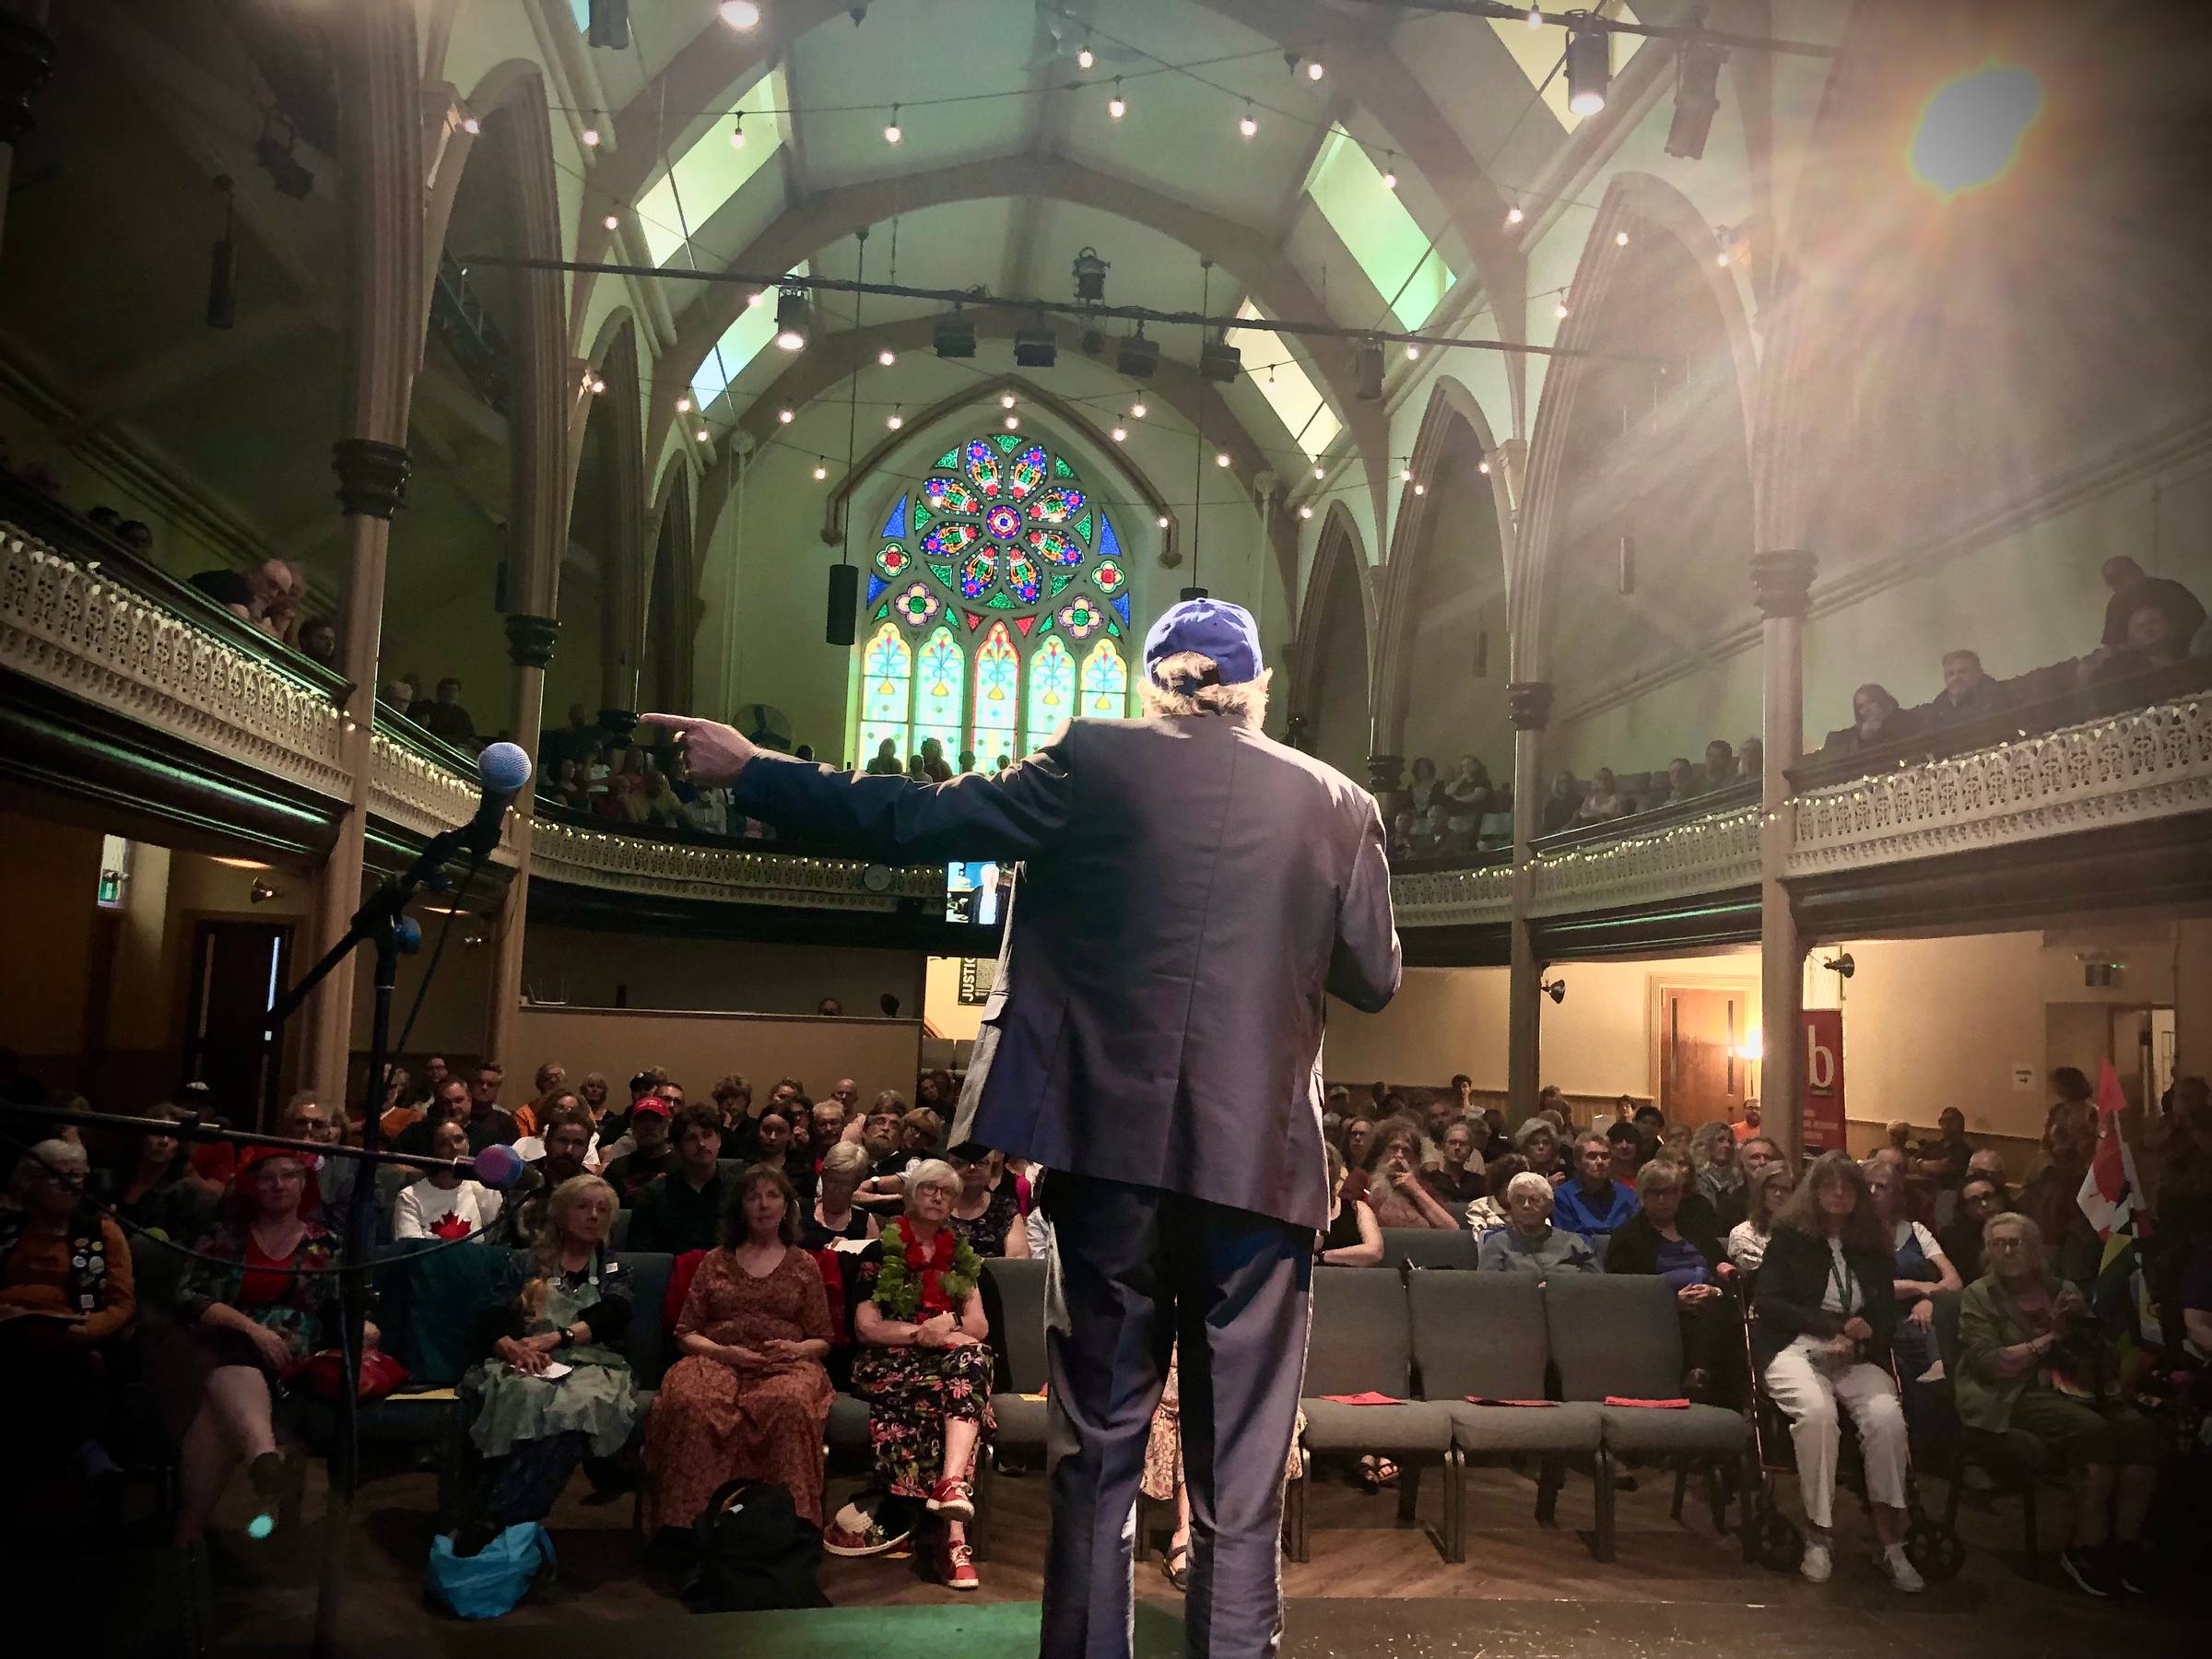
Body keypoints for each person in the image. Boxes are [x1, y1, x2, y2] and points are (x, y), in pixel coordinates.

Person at [641, 594, 1400, 1657]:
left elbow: (916, 819)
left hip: (1109, 1158)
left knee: (1100, 1453)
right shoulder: (1340, 802)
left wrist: (756, 768)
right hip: (1260, 1173)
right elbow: (1375, 978)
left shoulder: (1095, 761)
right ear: (1257, 688)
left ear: (1155, 684)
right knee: (1241, 1468)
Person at [1957, 1211, 2159, 1597]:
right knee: (2093, 1431)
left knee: (2138, 1430)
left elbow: (2103, 1359)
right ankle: (2085, 1545)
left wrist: (2085, 1321)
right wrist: (2051, 1337)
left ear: (2035, 1249)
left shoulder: (2062, 1289)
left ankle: (2126, 1543)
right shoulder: (1980, 1295)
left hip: (2079, 1387)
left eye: (2015, 1242)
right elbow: (1991, 1365)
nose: (2006, 1251)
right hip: (2013, 1393)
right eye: (1997, 1244)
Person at [1752, 1151, 1920, 1591]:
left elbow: (1884, 1311)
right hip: (1796, 1344)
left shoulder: (1872, 1245)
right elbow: (1768, 1301)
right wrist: (1829, 1327)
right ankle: (1818, 1533)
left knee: (1886, 1417)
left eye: (1848, 1187)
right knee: (1818, 1413)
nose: (1839, 1194)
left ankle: (1890, 1540)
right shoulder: (1789, 1238)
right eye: (1830, 1186)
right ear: (1814, 1191)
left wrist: (1865, 1333)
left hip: (1855, 1353)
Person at [452, 1175, 641, 1556]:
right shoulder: (526, 1262)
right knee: (525, 1393)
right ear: (560, 1212)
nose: (593, 1215)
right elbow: (491, 1312)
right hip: (529, 1359)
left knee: (577, 1407)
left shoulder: (614, 1267)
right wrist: (510, 1347)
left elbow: (614, 1313)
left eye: (602, 1209)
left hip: (591, 1363)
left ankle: (496, 1519)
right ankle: (502, 1522)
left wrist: (559, 1338)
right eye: (583, 1206)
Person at [643, 1166, 836, 1535]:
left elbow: (823, 1339)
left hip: (784, 1364)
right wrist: (725, 1353)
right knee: (692, 1403)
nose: (763, 1205)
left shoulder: (804, 1264)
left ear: (786, 1207)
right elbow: (686, 1333)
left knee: (787, 1404)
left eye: (772, 1196)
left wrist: (795, 1349)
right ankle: (688, 1531)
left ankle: (781, 1529)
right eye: (753, 1197)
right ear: (740, 1208)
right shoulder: (715, 1260)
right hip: (717, 1358)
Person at [171, 1148, 343, 1544]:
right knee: (235, 1356)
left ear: (304, 1184)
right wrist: (252, 1329)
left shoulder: (326, 1244)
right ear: (252, 1185)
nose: (278, 1185)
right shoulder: (225, 1236)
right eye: (267, 1177)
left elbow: (341, 1307)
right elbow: (188, 1296)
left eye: (288, 1175)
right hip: (226, 1343)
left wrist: (365, 1325)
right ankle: (264, 1458)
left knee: (216, 1411)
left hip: (292, 1360)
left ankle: (186, 1538)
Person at [845, 1160, 996, 1591]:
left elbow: (979, 1326)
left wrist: (949, 1323)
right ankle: (953, 1540)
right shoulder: (879, 1252)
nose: (937, 1197)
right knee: (965, 1390)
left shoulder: (961, 1255)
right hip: (888, 1362)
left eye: (946, 1192)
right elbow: (868, 1327)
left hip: (946, 1365)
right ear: (911, 1195)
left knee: (970, 1365)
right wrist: (924, 1333)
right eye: (929, 1188)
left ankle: (950, 1493)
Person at [1, 1139, 136, 1478]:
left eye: (77, 1176)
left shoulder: (102, 1232)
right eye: (57, 1176)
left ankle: (78, 1446)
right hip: (10, 1330)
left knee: (65, 1355)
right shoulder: (8, 1229)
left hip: (76, 1334)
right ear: (30, 1181)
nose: (70, 1185)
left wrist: (92, 1328)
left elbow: (122, 1302)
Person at [1605, 1159, 1732, 1395]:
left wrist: (1716, 1291)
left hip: (1712, 1305)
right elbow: (1622, 1292)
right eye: (1655, 1193)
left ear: (1679, 1193)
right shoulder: (1628, 1237)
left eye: (1669, 1192)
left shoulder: (1695, 1228)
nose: (1662, 1200)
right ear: (1642, 1195)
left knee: (1722, 1313)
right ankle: (1696, 1376)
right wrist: (1671, 1302)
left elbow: (1725, 1269)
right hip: (1657, 1314)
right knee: (1692, 1319)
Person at [628, 1107, 733, 1255]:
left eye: (707, 1135)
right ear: (677, 1148)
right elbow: (641, 1254)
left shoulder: (738, 1189)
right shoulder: (654, 1194)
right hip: (669, 1268)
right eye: (691, 1138)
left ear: (719, 1140)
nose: (702, 1144)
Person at [92, 1100, 204, 1239]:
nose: (164, 1141)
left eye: (172, 1136)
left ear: (180, 1146)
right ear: (142, 1136)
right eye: (158, 1132)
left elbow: (170, 1244)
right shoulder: (108, 1180)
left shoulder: (181, 1193)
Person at [393, 1118, 504, 1241]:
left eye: (459, 1139)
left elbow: (496, 1240)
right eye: (444, 1144)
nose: (454, 1147)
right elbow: (410, 1247)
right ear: (433, 1152)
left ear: (468, 1143)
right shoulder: (409, 1197)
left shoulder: (483, 1189)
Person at [1477, 1171, 1603, 1275]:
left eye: (1534, 1200)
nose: (1526, 1205)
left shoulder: (1574, 1243)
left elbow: (1598, 1286)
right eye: (1519, 1200)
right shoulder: (1497, 1244)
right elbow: (1488, 1290)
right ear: (1511, 1206)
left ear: (1549, 1206)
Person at [1359, 1117, 1463, 1230]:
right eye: (1393, 1148)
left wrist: (1416, 1190)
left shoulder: (1423, 1187)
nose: (1399, 1155)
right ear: (1381, 1152)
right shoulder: (1362, 1179)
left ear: (1415, 1159)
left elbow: (1452, 1228)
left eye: (1406, 1151)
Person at [2098, 554, 2204, 653]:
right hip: (2136, 661)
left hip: (2181, 655)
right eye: (2111, 581)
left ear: (2136, 571)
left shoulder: (2170, 590)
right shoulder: (2116, 605)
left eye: (2120, 576)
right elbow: (2111, 645)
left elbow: (2200, 625)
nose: (2115, 585)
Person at [1550, 1130, 1641, 1241]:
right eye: (1592, 1156)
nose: (1600, 1162)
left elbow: (1636, 1236)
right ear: (1577, 1162)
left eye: (1605, 1156)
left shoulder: (1628, 1196)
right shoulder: (1563, 1197)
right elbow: (1567, 1241)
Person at [945, 1148, 1031, 1258]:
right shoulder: (938, 1204)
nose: (972, 1167)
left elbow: (1018, 1259)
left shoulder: (1006, 1208)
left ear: (991, 1170)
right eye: (961, 1163)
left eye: (981, 1163)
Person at [804, 1140, 882, 1249]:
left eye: (845, 1184)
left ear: (857, 1184)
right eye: (832, 1181)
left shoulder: (865, 1222)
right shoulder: (799, 1210)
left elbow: (873, 1258)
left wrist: (847, 1248)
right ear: (823, 1174)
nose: (836, 1190)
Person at [601, 1096, 677, 1206]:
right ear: (632, 1126)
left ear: (667, 1125)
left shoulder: (682, 1167)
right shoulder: (616, 1168)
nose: (649, 1127)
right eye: (642, 1121)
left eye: (656, 1120)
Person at [1316, 1143, 1382, 1267]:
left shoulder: (1357, 1208)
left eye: (1328, 1162)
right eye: (1315, 1161)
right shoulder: (1291, 1212)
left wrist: (1323, 1256)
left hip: (1352, 1277)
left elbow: (1375, 1252)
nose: (1322, 1167)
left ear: (1338, 1170)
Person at [1725, 1161, 1794, 1275]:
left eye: (1785, 1189)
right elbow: (1767, 1275)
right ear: (1760, 1190)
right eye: (1772, 1187)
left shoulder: (1802, 1233)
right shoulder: (1743, 1234)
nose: (1778, 1194)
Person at [1940, 1172, 2006, 1284]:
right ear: (1965, 1209)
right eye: (1974, 1201)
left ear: (1999, 1199)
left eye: (1988, 1196)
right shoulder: (1953, 1238)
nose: (1984, 1204)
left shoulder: (2019, 1227)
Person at [1918, 649, 2010, 727]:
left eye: (1963, 672)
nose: (1956, 678)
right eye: (1950, 674)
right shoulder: (1938, 707)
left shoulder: (1997, 698)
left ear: (1978, 673)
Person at [1821, 683, 1917, 756]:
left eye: (1870, 702)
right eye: (1860, 707)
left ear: (1882, 701)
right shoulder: (1845, 738)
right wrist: (1862, 740)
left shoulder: (1907, 720)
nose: (1866, 709)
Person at [1418, 1120, 1486, 1218]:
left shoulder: (1480, 1183)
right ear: (1443, 1148)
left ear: (1470, 1152)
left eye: (1463, 1144)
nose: (1457, 1147)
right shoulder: (1429, 1180)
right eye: (1452, 1143)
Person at [1689, 1120, 1747, 1227]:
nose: (1727, 1145)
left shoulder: (1738, 1176)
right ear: (1707, 1142)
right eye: (1720, 1140)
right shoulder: (1694, 1176)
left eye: (1730, 1142)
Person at [462, 1063, 518, 1153]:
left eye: (491, 1085)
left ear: (497, 1090)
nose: (484, 1088)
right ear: (470, 1085)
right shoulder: (459, 1115)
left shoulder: (506, 1123)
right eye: (480, 1083)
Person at [408, 676, 478, 747]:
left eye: (454, 690)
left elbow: (470, 736)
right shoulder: (429, 709)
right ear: (440, 692)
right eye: (448, 690)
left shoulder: (462, 715)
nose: (451, 693)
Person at [1513, 1116, 1565, 1187]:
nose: (1541, 1147)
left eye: (1546, 1143)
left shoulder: (1561, 1171)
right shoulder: (1516, 1173)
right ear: (1525, 1148)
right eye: (1534, 1143)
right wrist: (1546, 1185)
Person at [1540, 770, 1581, 834]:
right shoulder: (1551, 805)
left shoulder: (1580, 801)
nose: (1565, 784)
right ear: (1557, 784)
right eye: (1561, 782)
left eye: (1567, 781)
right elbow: (1547, 829)